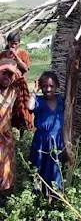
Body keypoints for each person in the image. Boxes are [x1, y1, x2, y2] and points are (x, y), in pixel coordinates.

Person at [27, 71, 64, 195]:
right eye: (44, 86)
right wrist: (34, 91)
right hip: (41, 141)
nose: (48, 89)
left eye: (51, 86)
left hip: (57, 140)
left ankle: (54, 195)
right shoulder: (39, 101)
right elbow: (30, 107)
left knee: (55, 166)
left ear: (57, 86)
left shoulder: (61, 100)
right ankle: (38, 195)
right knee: (39, 165)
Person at [0, 31, 33, 136]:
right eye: (11, 43)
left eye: (15, 43)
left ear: (19, 43)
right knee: (6, 108)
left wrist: (16, 57)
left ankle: (22, 132)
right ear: (8, 43)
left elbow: (26, 68)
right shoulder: (3, 54)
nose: (13, 46)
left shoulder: (23, 54)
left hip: (19, 85)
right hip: (5, 85)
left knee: (21, 109)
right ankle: (6, 128)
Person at [0, 58, 20, 197]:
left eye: (10, 74)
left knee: (7, 171)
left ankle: (5, 203)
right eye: (4, 73)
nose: (7, 77)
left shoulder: (14, 92)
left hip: (6, 140)